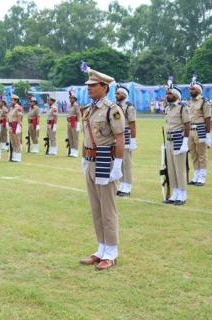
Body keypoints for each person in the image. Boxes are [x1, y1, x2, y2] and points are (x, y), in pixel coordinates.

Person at [79, 66, 125, 271]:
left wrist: (119, 164)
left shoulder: (112, 109)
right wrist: (83, 158)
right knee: (96, 208)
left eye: (93, 85)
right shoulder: (90, 109)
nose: (89, 88)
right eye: (88, 85)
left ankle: (112, 252)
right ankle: (101, 248)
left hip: (106, 160)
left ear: (104, 87)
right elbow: (86, 136)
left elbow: (119, 137)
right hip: (90, 160)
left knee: (108, 209)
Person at [186, 76, 211, 186]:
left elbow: (208, 119)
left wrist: (208, 134)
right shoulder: (189, 101)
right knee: (193, 154)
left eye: (193, 89)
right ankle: (196, 175)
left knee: (202, 154)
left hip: (200, 129)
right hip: (190, 129)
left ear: (199, 90)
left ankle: (202, 177)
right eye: (190, 89)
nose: (191, 91)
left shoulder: (204, 102)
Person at [115, 86, 137, 197]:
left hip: (126, 135)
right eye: (116, 93)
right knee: (120, 162)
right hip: (117, 135)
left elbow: (132, 124)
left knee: (127, 163)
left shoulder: (129, 107)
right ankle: (122, 184)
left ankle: (127, 186)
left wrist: (133, 140)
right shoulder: (116, 106)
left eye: (118, 93)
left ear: (124, 94)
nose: (116, 95)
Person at [8, 94, 23, 162]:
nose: (11, 101)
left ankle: (18, 156)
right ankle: (14, 155)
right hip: (11, 125)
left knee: (17, 141)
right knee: (12, 141)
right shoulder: (11, 108)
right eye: (11, 100)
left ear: (16, 100)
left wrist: (18, 125)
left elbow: (19, 116)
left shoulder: (18, 108)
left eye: (12, 100)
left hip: (15, 125)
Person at [67, 92, 81, 157]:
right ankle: (72, 151)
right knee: (70, 137)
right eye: (70, 98)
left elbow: (78, 114)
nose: (70, 99)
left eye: (72, 98)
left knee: (75, 137)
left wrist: (78, 123)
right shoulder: (69, 105)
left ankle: (76, 151)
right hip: (69, 122)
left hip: (74, 122)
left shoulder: (76, 105)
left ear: (75, 99)